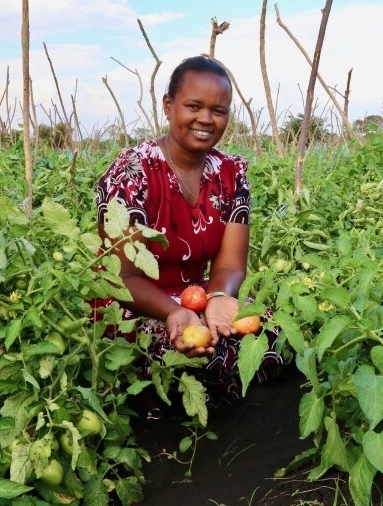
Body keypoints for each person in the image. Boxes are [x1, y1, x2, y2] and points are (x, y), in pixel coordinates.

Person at [91, 55, 284, 405]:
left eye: (219, 110)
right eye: (194, 106)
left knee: (270, 332)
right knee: (190, 353)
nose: (206, 119)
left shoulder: (230, 173)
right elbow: (119, 277)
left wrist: (220, 298)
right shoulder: (132, 173)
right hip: (135, 303)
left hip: (196, 298)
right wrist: (174, 311)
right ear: (169, 105)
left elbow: (229, 266)